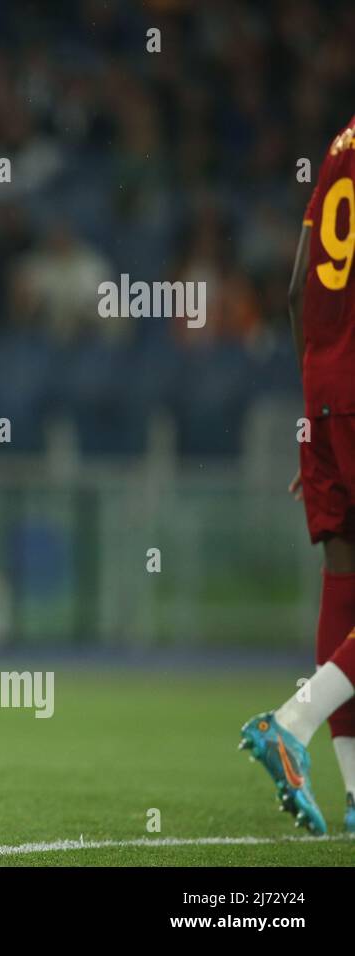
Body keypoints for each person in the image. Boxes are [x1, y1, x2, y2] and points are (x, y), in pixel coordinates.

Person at [240, 114, 355, 835]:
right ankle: (292, 722)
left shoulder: (342, 144)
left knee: (343, 584)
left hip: (324, 378)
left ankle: (353, 795)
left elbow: (291, 291)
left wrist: (316, 416)